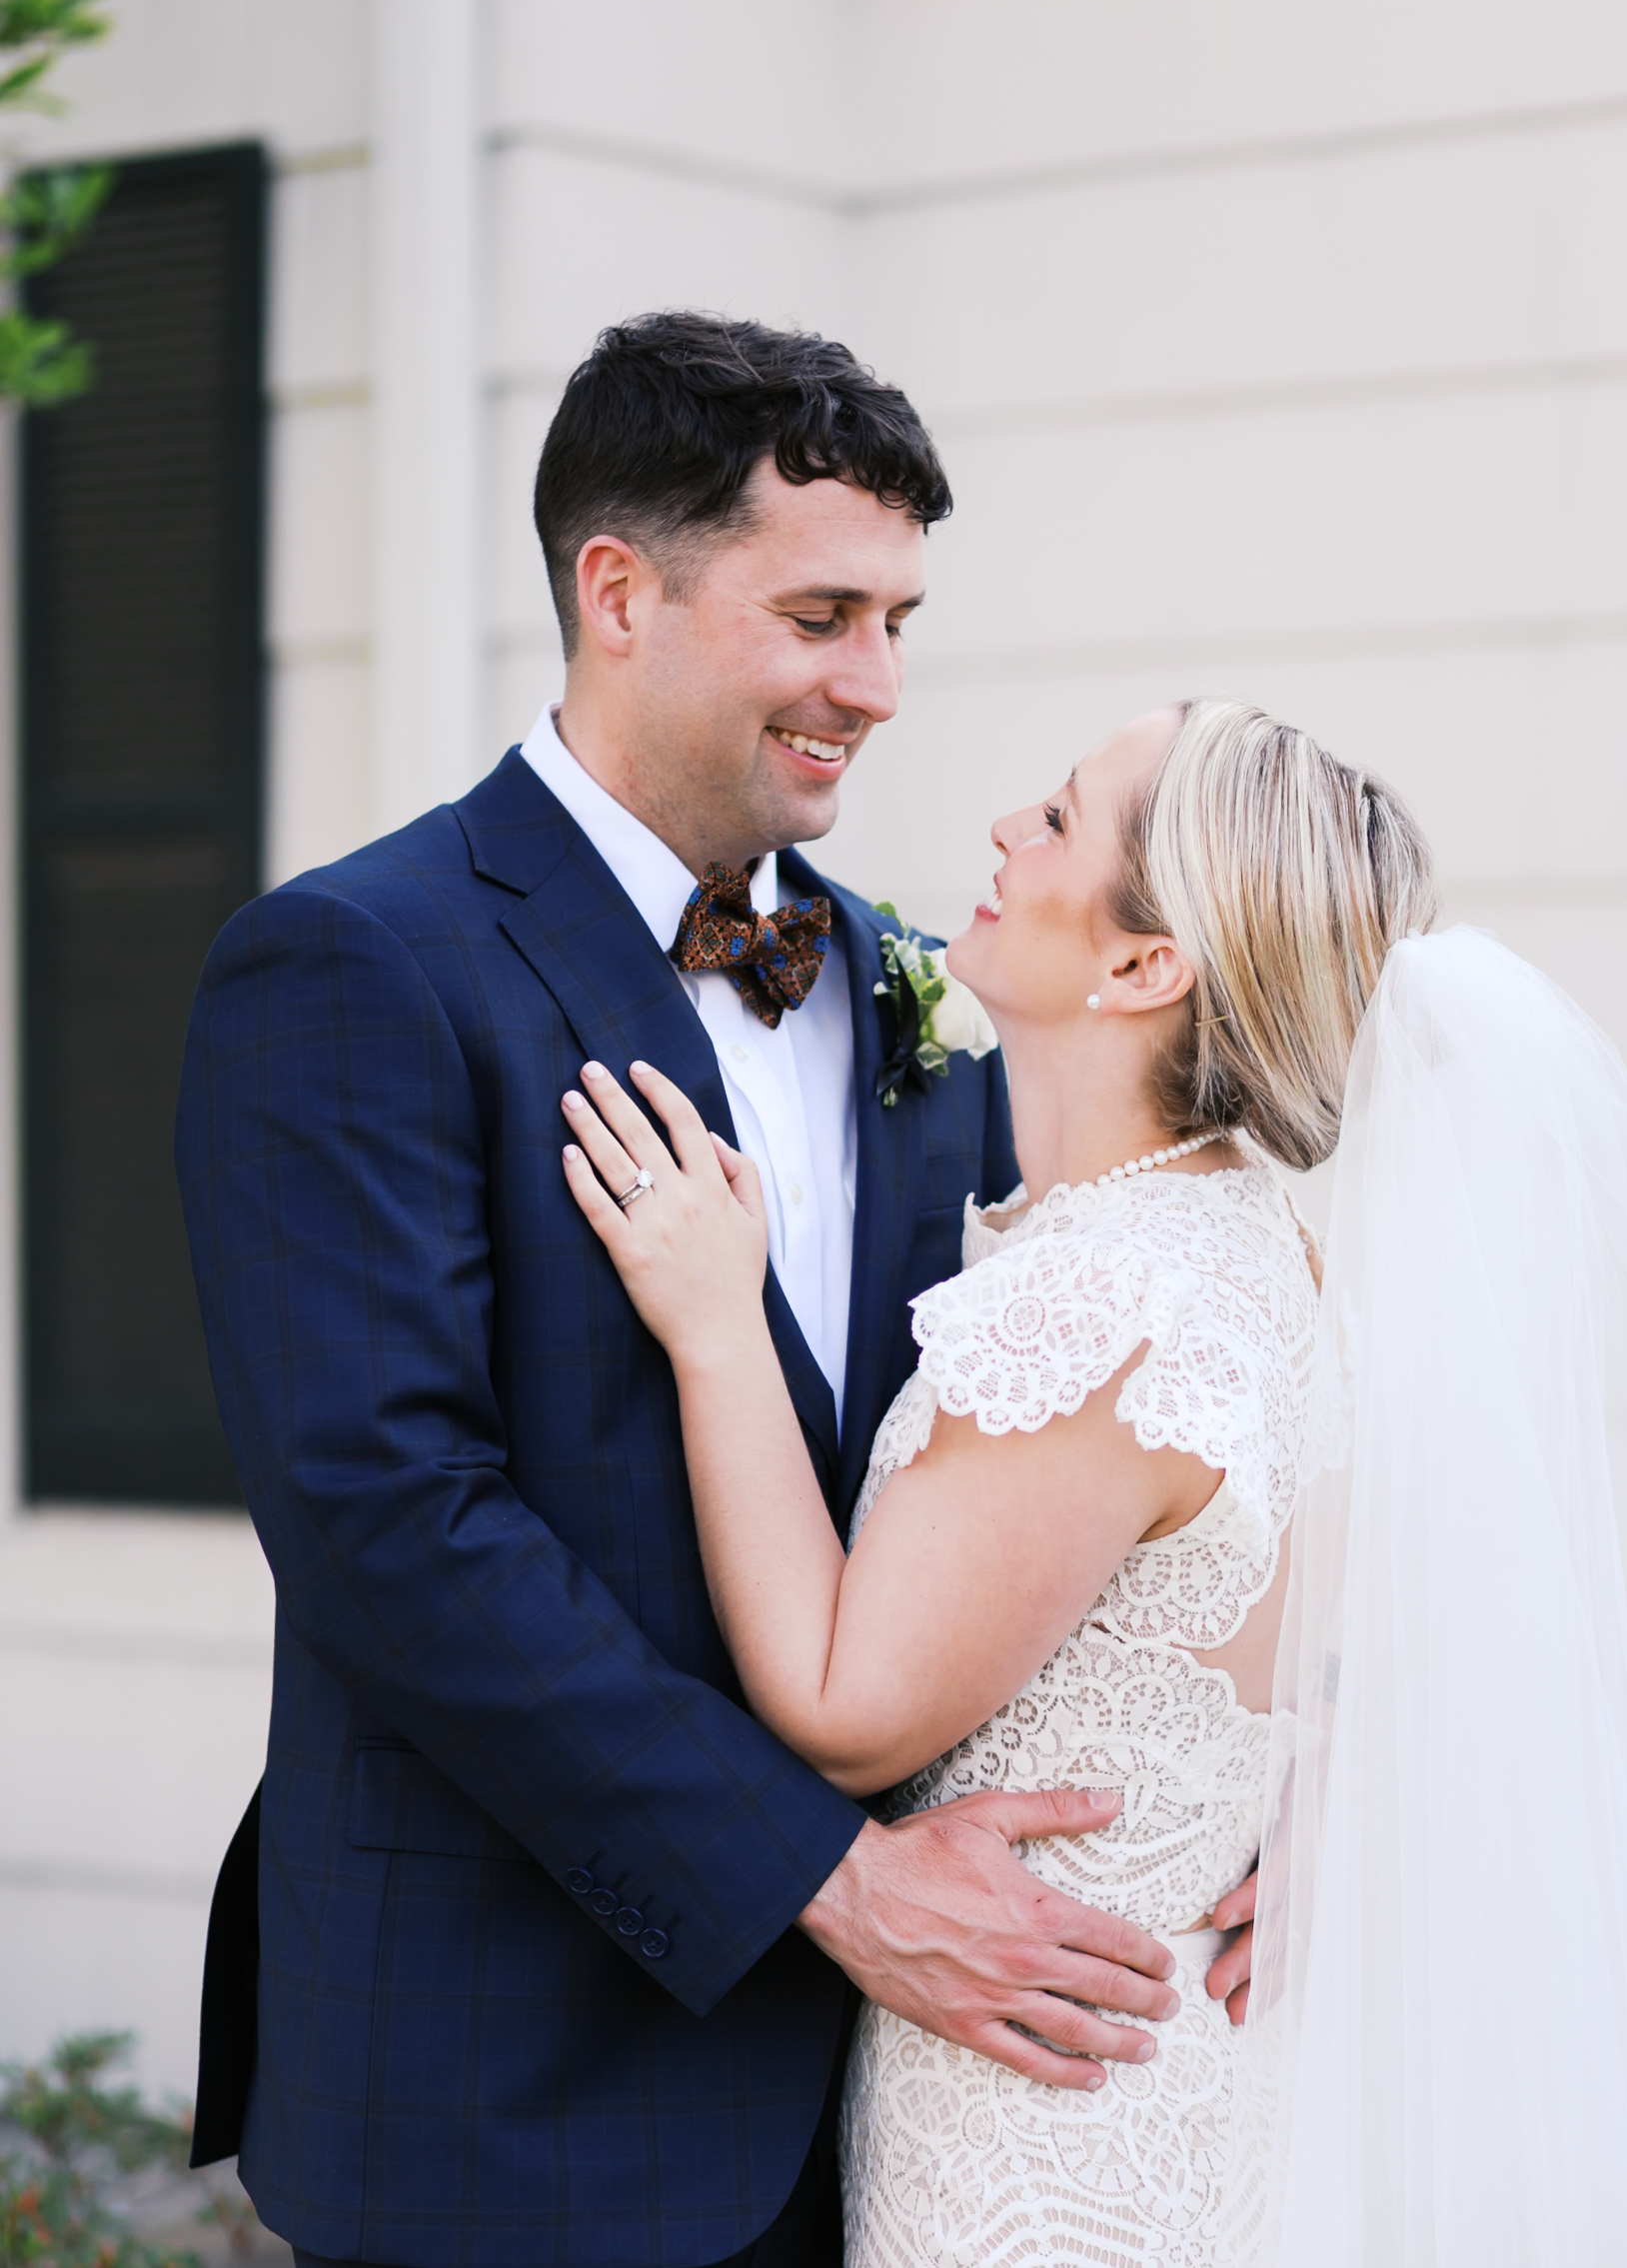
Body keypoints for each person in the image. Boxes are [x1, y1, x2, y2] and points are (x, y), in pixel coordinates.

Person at [175, 314, 1188, 2268]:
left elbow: (1021, 1455)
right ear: (617, 589)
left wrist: (1215, 1826)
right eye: (822, 613)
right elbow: (390, 1523)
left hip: (913, 2093)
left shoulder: (912, 977)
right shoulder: (350, 966)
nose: (875, 684)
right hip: (513, 2084)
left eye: (899, 618)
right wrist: (831, 1878)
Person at [561, 696, 1627, 2260]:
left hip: (1040, 2131)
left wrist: (715, 1322)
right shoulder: (1275, 1250)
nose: (1006, 831)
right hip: (1174, 2086)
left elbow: (836, 1694)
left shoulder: (1107, 1307)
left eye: (1059, 816)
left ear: (1145, 967)